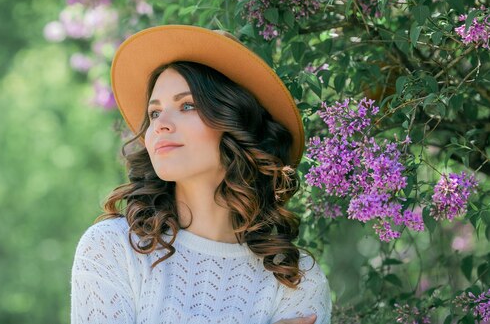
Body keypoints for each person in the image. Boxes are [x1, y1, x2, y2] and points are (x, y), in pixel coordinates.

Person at [70, 25, 332, 324]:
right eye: (154, 112)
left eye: (187, 105)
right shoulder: (113, 247)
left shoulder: (295, 279)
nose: (160, 125)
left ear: (236, 124)